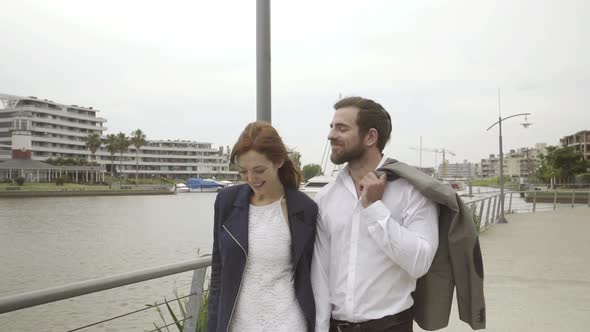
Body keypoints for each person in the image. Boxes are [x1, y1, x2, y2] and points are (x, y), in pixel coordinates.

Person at [311, 97, 439, 332]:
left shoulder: (411, 190)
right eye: (331, 127)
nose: (331, 135)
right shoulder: (326, 197)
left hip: (392, 326)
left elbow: (420, 262)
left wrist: (374, 209)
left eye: (342, 128)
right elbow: (320, 273)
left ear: (370, 137)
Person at [207, 121, 318, 332]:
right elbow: (218, 274)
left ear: (279, 161)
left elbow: (313, 275)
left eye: (259, 170)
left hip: (289, 324)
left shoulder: (305, 209)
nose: (251, 179)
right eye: (243, 172)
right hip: (239, 325)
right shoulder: (226, 202)